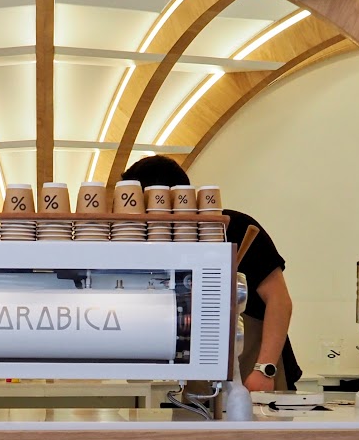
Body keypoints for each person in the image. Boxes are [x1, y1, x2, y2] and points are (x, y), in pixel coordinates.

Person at [121, 155, 301, 392]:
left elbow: (279, 300)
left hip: (255, 367)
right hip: (198, 371)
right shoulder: (157, 242)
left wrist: (264, 368)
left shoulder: (235, 228)